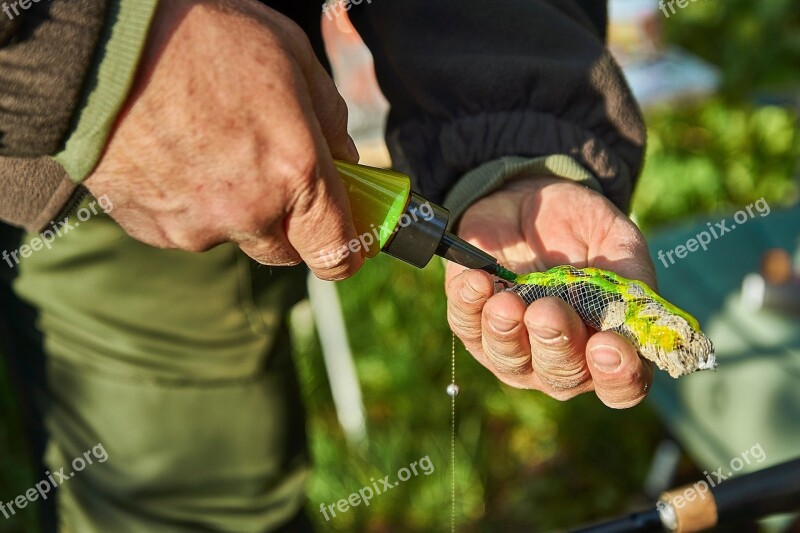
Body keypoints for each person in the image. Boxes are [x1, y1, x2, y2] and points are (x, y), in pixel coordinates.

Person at [0, 0, 653, 530]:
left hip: (258, 135)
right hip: (68, 164)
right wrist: (97, 62)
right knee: (163, 485)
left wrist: (515, 136)